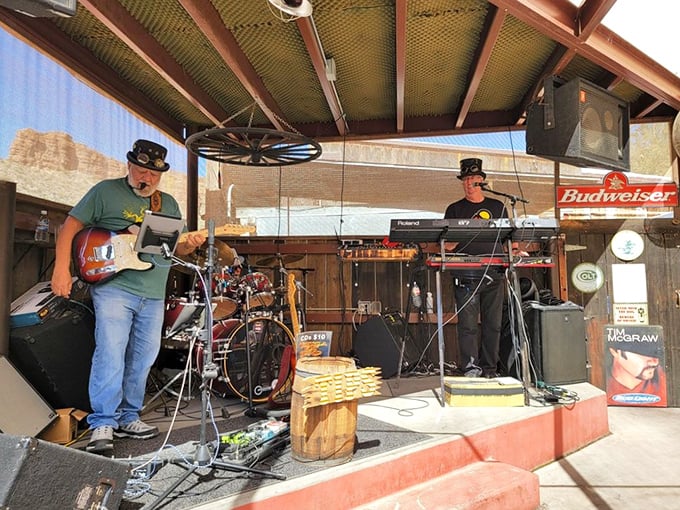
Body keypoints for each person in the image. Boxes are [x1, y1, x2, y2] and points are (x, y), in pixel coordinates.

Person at [51, 139, 206, 454]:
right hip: (115, 288)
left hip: (152, 293)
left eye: (154, 174)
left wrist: (194, 241)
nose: (146, 178)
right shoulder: (105, 192)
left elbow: (180, 247)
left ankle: (128, 417)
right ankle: (103, 423)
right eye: (141, 170)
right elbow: (70, 227)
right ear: (130, 166)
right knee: (110, 351)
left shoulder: (169, 204)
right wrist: (61, 269)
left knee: (143, 357)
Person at [444, 158, 520, 378]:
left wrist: (516, 251)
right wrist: (459, 237)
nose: (469, 183)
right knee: (467, 325)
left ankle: (489, 368)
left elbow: (509, 240)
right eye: (465, 180)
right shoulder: (455, 209)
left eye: (473, 180)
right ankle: (470, 369)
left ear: (482, 181)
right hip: (465, 275)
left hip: (494, 273)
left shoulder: (498, 206)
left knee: (493, 325)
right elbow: (447, 245)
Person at [606, 339, 667, 407]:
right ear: (614, 351)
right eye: (643, 352)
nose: (655, 362)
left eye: (656, 353)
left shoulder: (666, 382)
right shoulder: (599, 383)